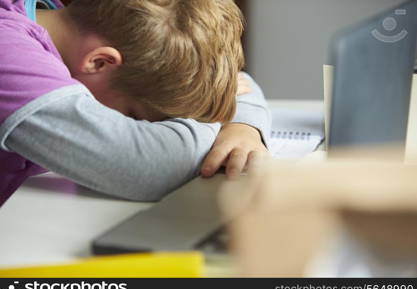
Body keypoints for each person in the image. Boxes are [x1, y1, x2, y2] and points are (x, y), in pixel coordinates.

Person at [0, 0, 271, 205]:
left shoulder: (54, 23)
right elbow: (152, 167)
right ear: (99, 62)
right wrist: (211, 119)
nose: (146, 128)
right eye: (136, 116)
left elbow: (238, 81)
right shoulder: (7, 54)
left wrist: (240, 129)